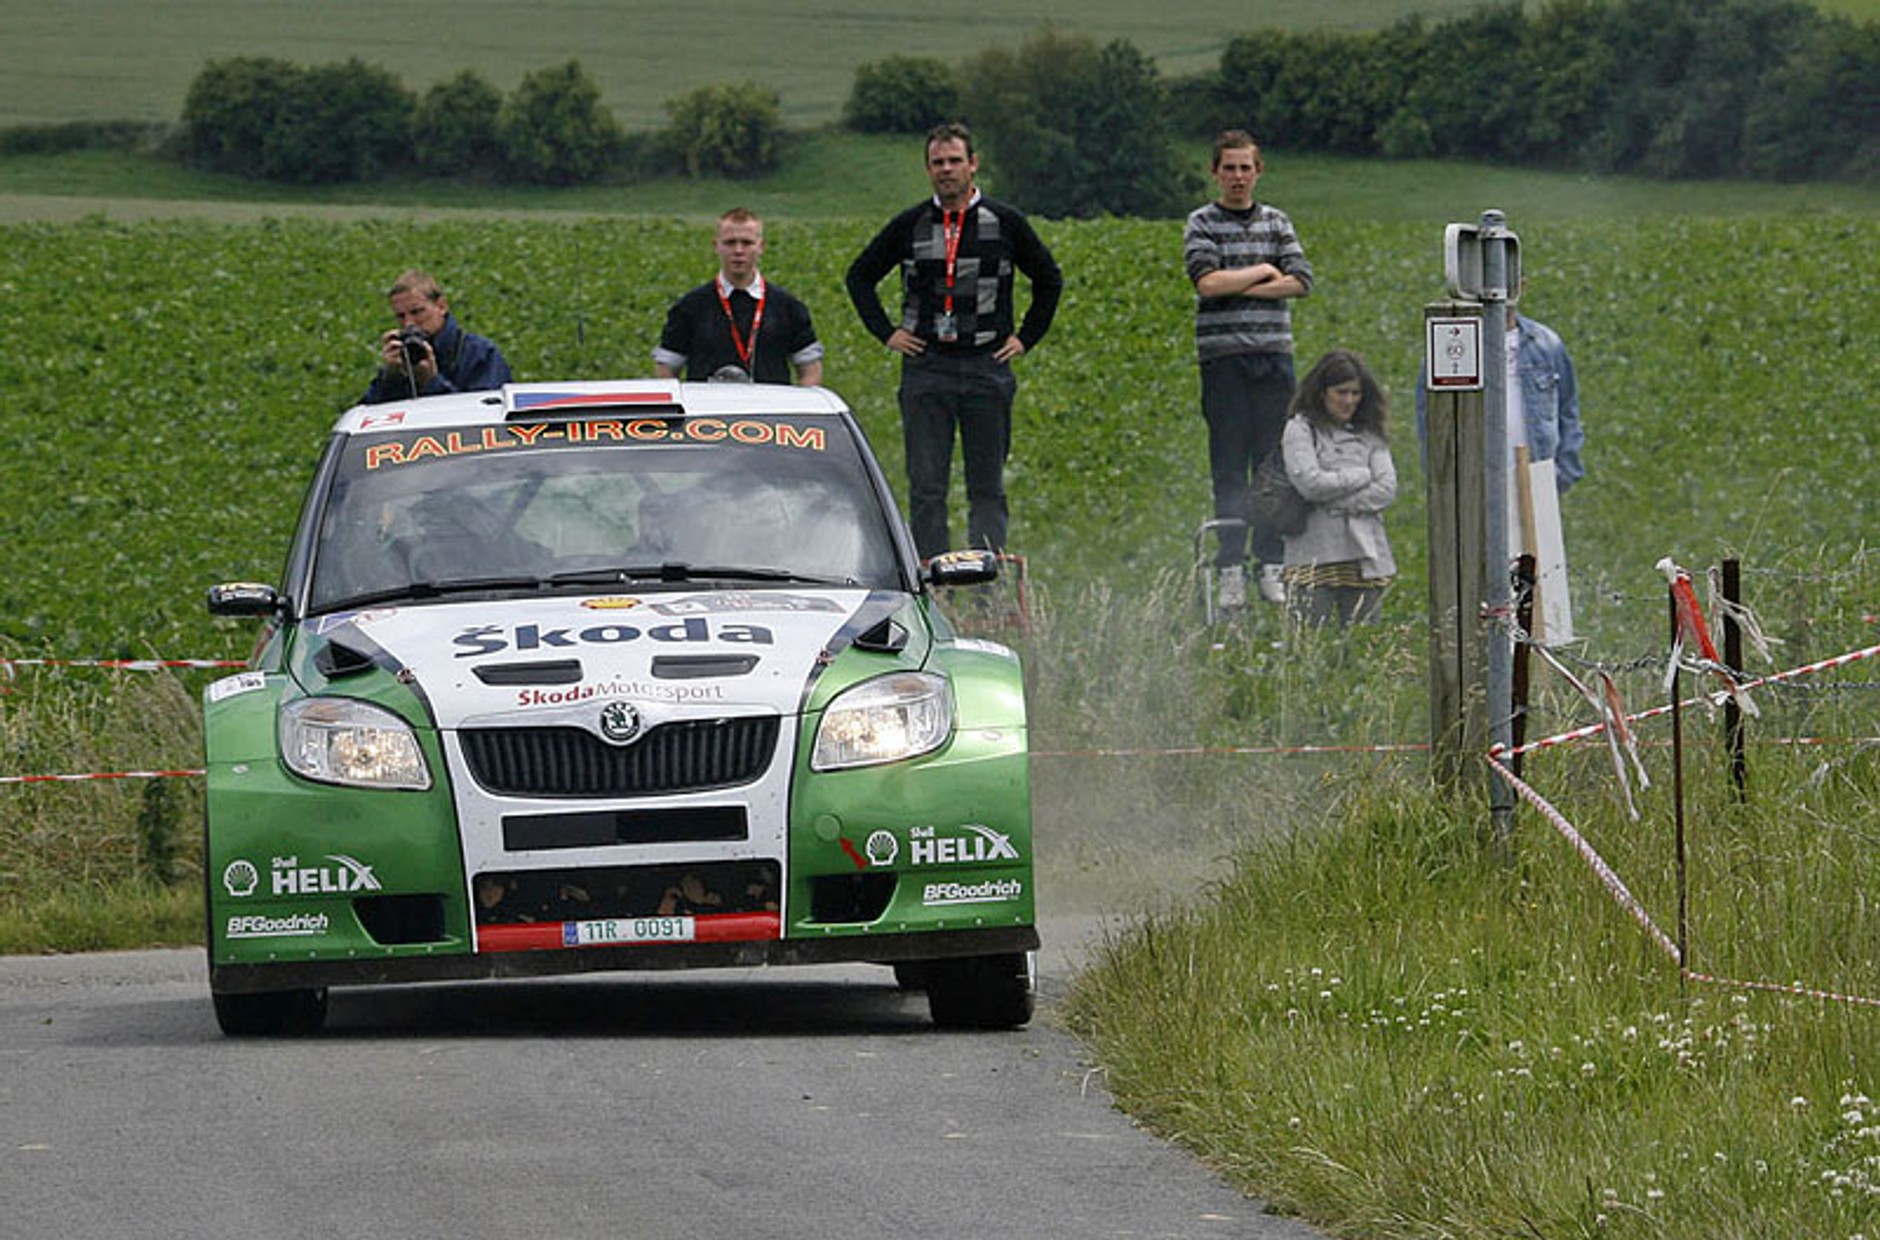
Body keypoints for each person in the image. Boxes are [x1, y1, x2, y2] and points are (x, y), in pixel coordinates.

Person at [845, 121, 1063, 561]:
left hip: (987, 365)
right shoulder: (910, 224)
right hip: (927, 366)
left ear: (973, 165)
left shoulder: (1004, 222)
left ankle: (985, 585)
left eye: (954, 161)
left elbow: (1049, 279)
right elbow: (860, 276)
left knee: (987, 487)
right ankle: (933, 585)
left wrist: (1024, 339)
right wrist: (888, 333)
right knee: (927, 487)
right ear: (928, 169)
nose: (946, 170)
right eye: (937, 162)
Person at [1184, 129, 1314, 610]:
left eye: (1245, 168)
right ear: (1215, 172)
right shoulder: (1202, 223)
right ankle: (1231, 566)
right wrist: (1263, 271)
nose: (1237, 177)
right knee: (1229, 466)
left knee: (1273, 465)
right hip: (1224, 362)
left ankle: (1271, 562)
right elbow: (1207, 281)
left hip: (1273, 359)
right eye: (1229, 168)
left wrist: (1239, 282)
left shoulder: (1278, 223)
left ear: (1258, 171)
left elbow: (1301, 282)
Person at [1415, 287, 1585, 498]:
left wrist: (1562, 474)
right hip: (1475, 489)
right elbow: (1430, 421)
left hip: (1537, 481)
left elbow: (1568, 411)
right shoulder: (1452, 346)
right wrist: (1446, 479)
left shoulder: (1546, 344)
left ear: (1521, 284)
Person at [1279, 350, 1397, 628]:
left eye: (1355, 393)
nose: (1349, 401)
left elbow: (1386, 488)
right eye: (1341, 392)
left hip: (1364, 557)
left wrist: (1336, 503)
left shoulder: (1370, 432)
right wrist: (1359, 475)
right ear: (1322, 392)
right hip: (1312, 557)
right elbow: (1310, 484)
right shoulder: (1300, 430)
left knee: (1364, 647)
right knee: (1309, 646)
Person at [654, 208, 825, 386]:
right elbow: (666, 368)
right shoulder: (690, 307)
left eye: (747, 243)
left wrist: (797, 409)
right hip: (708, 412)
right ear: (716, 246)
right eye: (730, 243)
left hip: (770, 410)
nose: (738, 251)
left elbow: (810, 368)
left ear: (761, 247)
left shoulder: (788, 307)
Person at [361, 268, 513, 405]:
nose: (409, 323)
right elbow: (364, 416)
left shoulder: (480, 354)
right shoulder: (402, 357)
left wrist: (431, 382)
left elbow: (486, 418)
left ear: (441, 306)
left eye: (417, 312)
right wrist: (390, 378)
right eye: (401, 316)